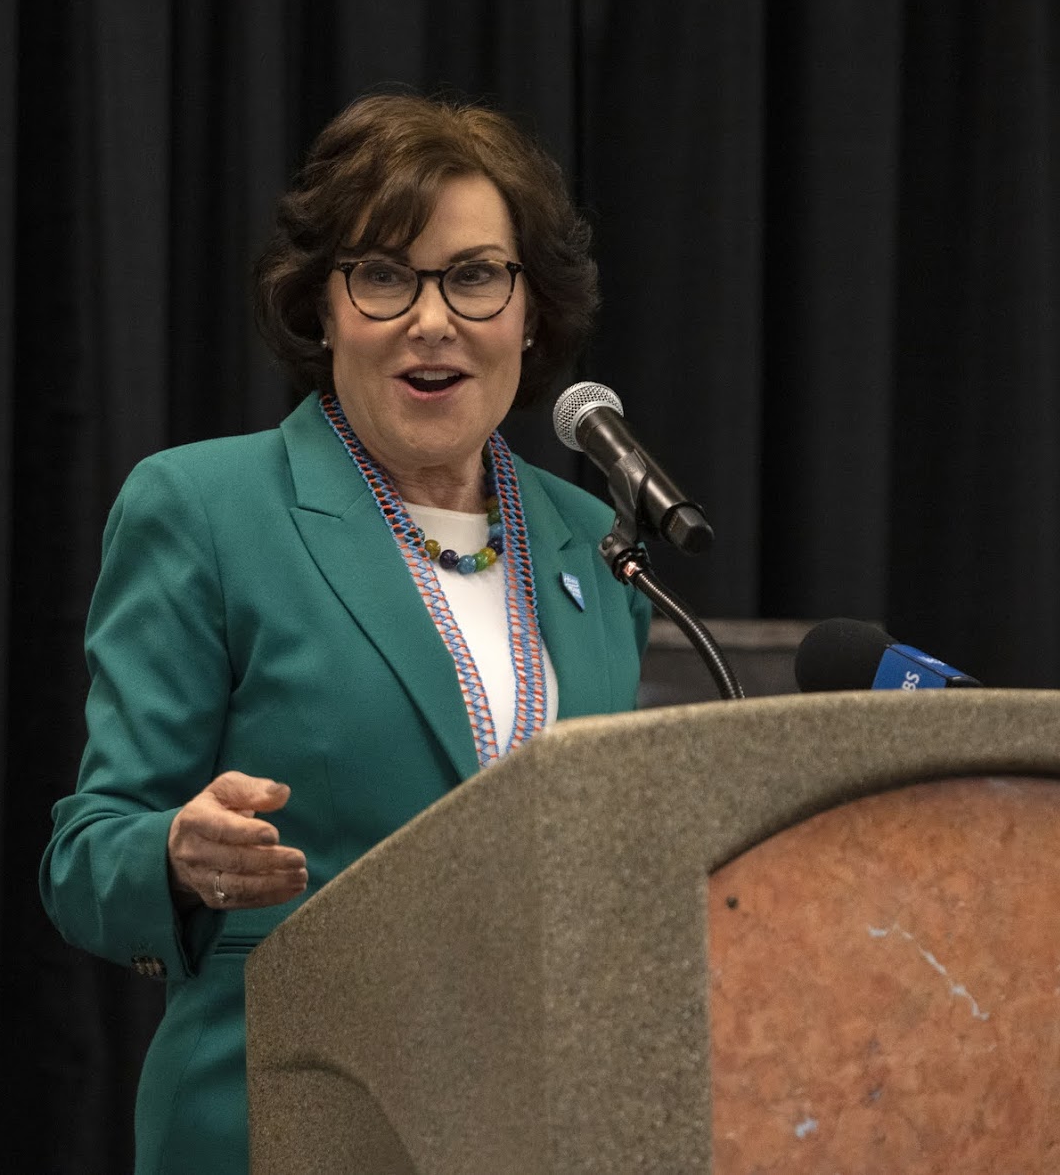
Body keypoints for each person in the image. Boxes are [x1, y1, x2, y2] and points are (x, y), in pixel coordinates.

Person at [40, 91, 651, 1174]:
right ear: (321, 309)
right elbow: (86, 857)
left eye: (473, 275)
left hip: (541, 1132)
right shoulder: (206, 508)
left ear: (530, 311)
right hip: (286, 1126)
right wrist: (178, 855)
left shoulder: (593, 546)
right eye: (383, 274)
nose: (432, 319)